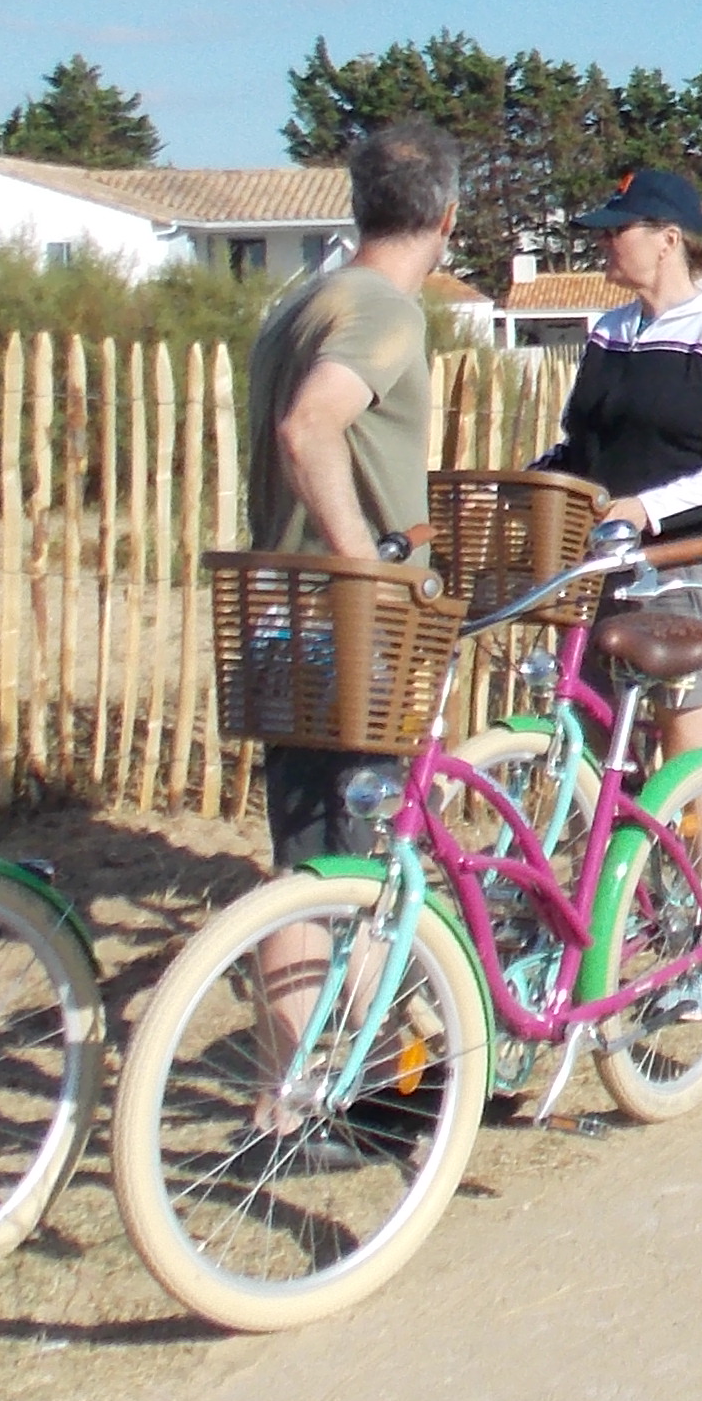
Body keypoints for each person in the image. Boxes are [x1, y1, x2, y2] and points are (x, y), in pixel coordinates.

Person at [244, 122, 461, 874]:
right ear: (447, 218)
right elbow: (308, 426)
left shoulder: (302, 305)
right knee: (367, 863)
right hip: (351, 621)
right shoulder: (384, 308)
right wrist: (364, 566)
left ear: (359, 206)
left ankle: (302, 1000)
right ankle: (369, 995)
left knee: (302, 862)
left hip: (280, 610)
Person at [532, 162, 702, 827]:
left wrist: (650, 509)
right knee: (589, 728)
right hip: (605, 558)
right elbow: (580, 445)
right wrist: (533, 483)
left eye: (620, 230)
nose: (605, 243)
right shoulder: (608, 331)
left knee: (686, 749)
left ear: (669, 239)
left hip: (687, 557)